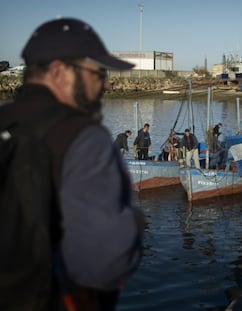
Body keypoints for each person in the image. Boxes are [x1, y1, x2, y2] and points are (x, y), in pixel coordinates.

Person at [0, 17, 144, 310]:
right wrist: (133, 223)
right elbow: (103, 266)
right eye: (98, 73)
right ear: (59, 72)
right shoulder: (83, 138)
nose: (104, 84)